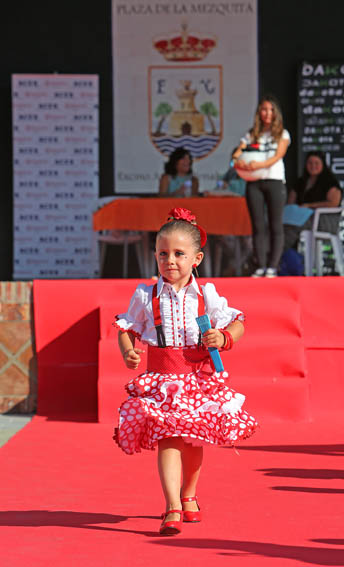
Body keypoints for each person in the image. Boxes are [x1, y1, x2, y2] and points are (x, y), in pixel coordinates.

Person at [113, 207, 258, 536]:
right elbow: (126, 327)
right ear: (155, 256)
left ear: (197, 258)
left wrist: (223, 337)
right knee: (168, 439)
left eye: (179, 254)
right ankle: (172, 506)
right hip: (162, 381)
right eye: (163, 254)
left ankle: (188, 494)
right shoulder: (146, 295)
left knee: (194, 443)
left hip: (198, 379)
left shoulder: (206, 295)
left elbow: (238, 323)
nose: (170, 261)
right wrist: (129, 351)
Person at [232, 95, 290, 278]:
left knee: (275, 224)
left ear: (276, 113)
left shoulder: (282, 133)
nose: (267, 113)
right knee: (257, 225)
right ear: (259, 112)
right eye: (264, 110)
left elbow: (277, 156)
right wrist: (238, 163)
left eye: (271, 110)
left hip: (274, 180)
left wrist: (259, 165)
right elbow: (237, 153)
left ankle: (273, 266)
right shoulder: (251, 134)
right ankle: (260, 265)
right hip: (253, 182)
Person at [283, 151, 342, 251]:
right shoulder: (301, 182)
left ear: (322, 164)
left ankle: (274, 257)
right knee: (279, 227)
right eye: (310, 163)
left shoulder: (329, 182)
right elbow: (291, 202)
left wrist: (309, 205)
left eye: (316, 163)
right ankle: (273, 257)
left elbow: (334, 203)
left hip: (323, 220)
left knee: (291, 228)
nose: (313, 166)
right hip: (300, 218)